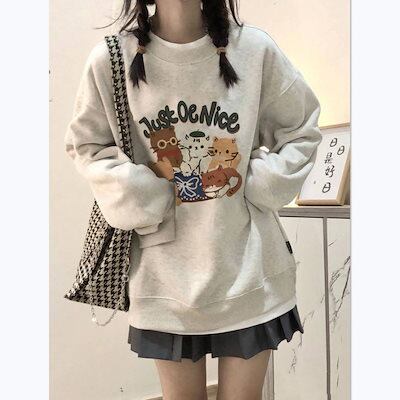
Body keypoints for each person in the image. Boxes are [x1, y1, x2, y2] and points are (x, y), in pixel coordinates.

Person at [64, 0, 322, 399]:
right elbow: (87, 146)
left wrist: (259, 183)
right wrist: (145, 194)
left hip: (250, 270)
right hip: (165, 280)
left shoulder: (254, 50)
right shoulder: (112, 59)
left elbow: (301, 129)